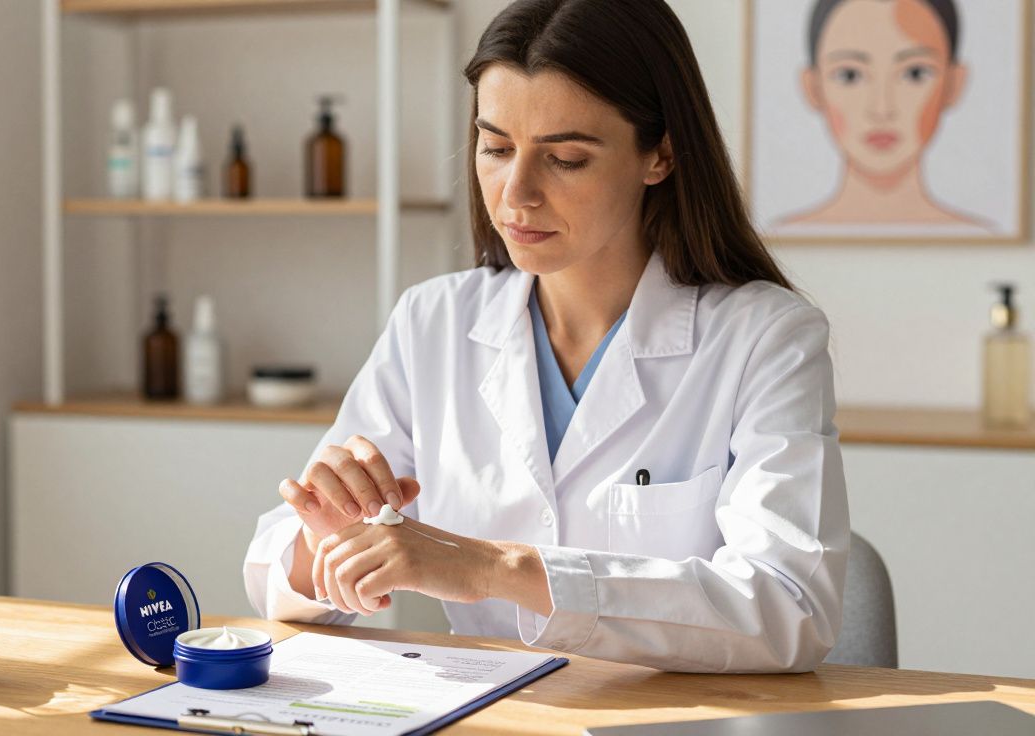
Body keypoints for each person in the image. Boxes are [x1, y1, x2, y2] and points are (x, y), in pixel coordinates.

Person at [244, 0, 849, 674]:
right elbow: (276, 578)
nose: (516, 195)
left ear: (661, 155)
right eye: (497, 148)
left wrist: (494, 568)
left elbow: (789, 607)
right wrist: (328, 537)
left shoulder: (766, 339)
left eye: (564, 158)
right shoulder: (433, 322)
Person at [780, 0, 989, 230]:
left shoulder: (980, 236)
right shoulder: (775, 240)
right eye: (849, 75)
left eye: (915, 73)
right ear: (812, 87)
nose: (882, 109)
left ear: (954, 83)